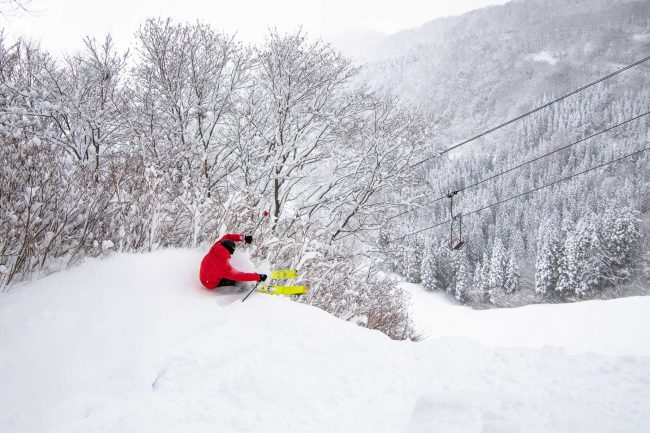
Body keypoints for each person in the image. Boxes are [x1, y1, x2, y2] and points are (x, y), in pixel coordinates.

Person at [199, 233, 267, 289]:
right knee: (236, 280)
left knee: (228, 273)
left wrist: (244, 238)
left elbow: (227, 236)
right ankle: (248, 287)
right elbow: (240, 276)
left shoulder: (216, 246)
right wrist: (258, 277)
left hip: (203, 277)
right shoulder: (224, 267)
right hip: (210, 284)